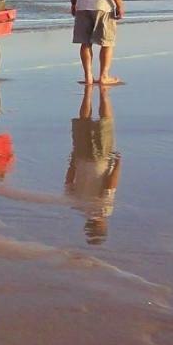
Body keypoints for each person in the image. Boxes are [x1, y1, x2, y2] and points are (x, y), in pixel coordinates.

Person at [65, 84, 121, 244]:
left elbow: (109, 186)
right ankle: (88, 94)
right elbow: (68, 182)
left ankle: (104, 94)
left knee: (106, 123)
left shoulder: (104, 210)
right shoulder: (76, 205)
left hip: (100, 161)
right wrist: (72, 163)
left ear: (102, 227)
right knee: (83, 122)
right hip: (81, 159)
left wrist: (117, 165)